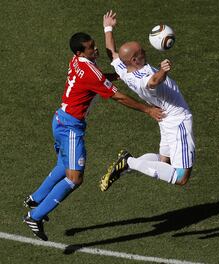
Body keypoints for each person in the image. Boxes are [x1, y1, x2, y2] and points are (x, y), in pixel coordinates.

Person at [22, 32, 164, 241]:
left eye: (94, 45)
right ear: (81, 52)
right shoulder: (89, 70)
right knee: (74, 178)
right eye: (90, 47)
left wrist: (116, 75)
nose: (95, 49)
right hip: (70, 127)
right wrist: (147, 110)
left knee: (64, 164)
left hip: (61, 119)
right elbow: (117, 96)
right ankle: (35, 216)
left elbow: (97, 79)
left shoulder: (78, 61)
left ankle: (36, 199)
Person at [99, 10, 195, 191]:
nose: (145, 51)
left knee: (163, 161)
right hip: (177, 120)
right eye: (141, 51)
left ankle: (127, 163)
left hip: (164, 117)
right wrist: (163, 71)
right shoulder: (145, 76)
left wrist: (108, 28)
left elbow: (112, 53)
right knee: (181, 177)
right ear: (135, 60)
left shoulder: (123, 68)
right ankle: (129, 162)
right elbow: (153, 82)